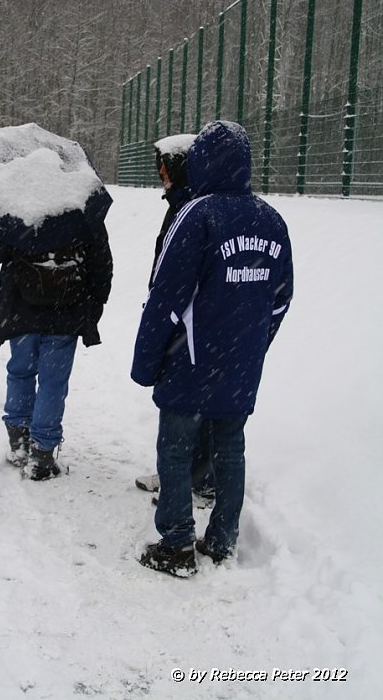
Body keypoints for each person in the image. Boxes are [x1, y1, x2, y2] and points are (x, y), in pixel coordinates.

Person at [131, 120, 293, 577]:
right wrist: (256, 344)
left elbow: (167, 298)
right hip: (239, 363)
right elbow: (281, 297)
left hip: (191, 359)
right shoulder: (271, 220)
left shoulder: (196, 215)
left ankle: (177, 543)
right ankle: (222, 541)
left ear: (201, 161)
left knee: (176, 448)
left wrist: (146, 362)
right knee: (230, 447)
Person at [0, 222, 113, 481]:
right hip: (66, 312)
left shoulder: (18, 203)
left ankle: (19, 440)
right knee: (53, 383)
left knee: (20, 372)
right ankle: (42, 453)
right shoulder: (81, 206)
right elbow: (101, 264)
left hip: (20, 309)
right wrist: (93, 306)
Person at [135, 134, 215, 504]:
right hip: (183, 316)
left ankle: (187, 481)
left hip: (189, 321)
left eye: (165, 164)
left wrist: (164, 309)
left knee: (184, 407)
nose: (161, 171)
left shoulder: (193, 206)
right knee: (189, 404)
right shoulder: (179, 202)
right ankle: (182, 475)